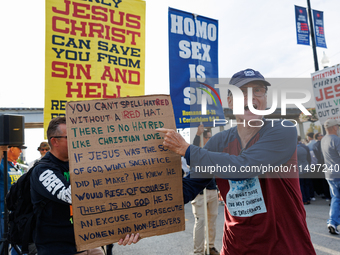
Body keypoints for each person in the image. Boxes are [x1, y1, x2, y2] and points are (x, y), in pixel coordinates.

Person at [157, 68, 316, 254]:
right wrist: (137, 221)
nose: (252, 98)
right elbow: (189, 186)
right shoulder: (218, 141)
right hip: (236, 248)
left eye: (258, 90)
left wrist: (187, 150)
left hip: (286, 247)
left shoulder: (282, 129)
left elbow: (245, 166)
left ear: (266, 99)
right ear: (230, 102)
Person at [30, 117, 139, 255]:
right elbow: (69, 195)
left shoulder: (75, 163)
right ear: (54, 141)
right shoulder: (43, 170)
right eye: (70, 137)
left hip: (88, 241)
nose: (77, 141)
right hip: (59, 247)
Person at [191, 124, 219, 255]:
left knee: (212, 221)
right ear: (204, 138)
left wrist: (219, 190)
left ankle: (210, 247)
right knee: (201, 222)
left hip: (212, 190)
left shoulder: (212, 152)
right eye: (209, 137)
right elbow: (193, 150)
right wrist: (198, 135)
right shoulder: (197, 151)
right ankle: (198, 252)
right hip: (200, 193)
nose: (211, 139)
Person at [0, 145, 26, 255]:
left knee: (18, 242)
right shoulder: (1, 164)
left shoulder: (16, 165)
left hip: (16, 211)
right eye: (18, 148)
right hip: (2, 211)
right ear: (11, 148)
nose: (21, 151)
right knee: (2, 242)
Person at [321, 118, 340, 235]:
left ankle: (332, 222)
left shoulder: (323, 139)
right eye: (337, 126)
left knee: (336, 199)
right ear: (334, 127)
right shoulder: (336, 139)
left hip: (329, 174)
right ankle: (332, 222)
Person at [313, 133, 331, 200]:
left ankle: (327, 196)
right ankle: (329, 195)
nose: (323, 136)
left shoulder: (315, 145)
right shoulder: (323, 143)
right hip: (325, 163)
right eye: (321, 135)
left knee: (324, 180)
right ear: (318, 137)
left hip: (321, 164)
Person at [297, 136, 312, 205]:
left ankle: (304, 199)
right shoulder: (304, 147)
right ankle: (308, 198)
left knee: (301, 185)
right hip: (306, 167)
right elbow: (309, 158)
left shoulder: (293, 149)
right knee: (307, 184)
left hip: (299, 169)